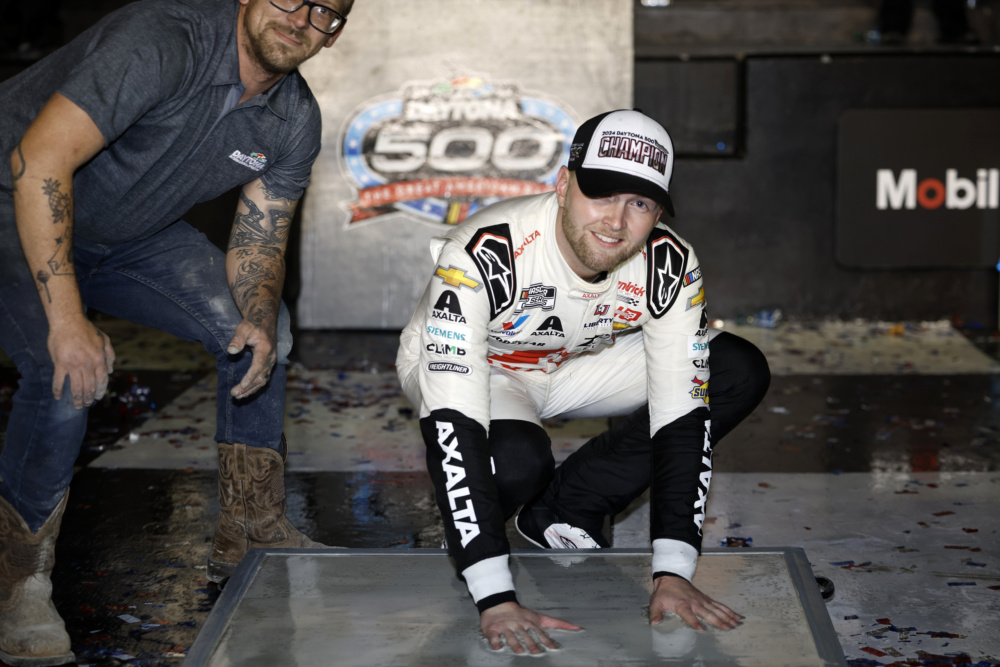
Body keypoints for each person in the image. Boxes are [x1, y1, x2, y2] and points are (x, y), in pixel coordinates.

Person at [0, 0, 352, 664]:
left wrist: (257, 316)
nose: (302, 18)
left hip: (123, 238)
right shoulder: (162, 41)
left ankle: (248, 529)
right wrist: (68, 320)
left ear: (335, 34)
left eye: (325, 11)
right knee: (63, 370)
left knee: (259, 328)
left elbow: (259, 243)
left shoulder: (293, 119)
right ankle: (18, 582)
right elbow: (38, 162)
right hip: (13, 200)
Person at [396, 109, 771, 654]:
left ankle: (568, 505)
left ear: (658, 211)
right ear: (563, 184)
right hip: (487, 370)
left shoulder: (670, 263)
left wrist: (673, 570)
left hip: (576, 364)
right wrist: (495, 596)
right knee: (515, 461)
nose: (616, 222)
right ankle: (482, 532)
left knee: (734, 369)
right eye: (602, 194)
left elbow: (682, 417)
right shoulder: (485, 250)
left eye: (640, 203)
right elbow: (456, 424)